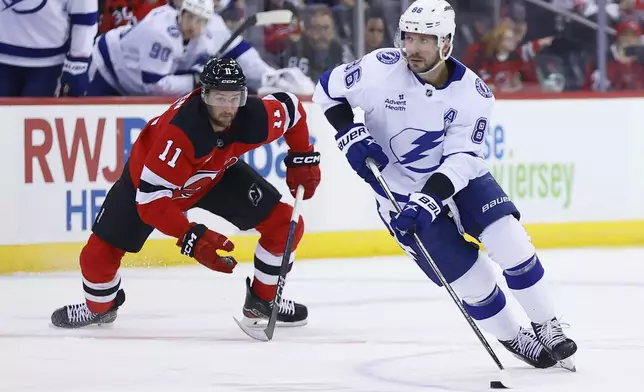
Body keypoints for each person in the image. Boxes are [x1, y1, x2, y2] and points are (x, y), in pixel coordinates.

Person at [312, 0, 577, 370]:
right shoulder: (378, 68)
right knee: (473, 282)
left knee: (510, 240)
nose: (413, 48)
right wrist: (350, 134)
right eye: (408, 37)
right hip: (398, 196)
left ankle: (546, 323)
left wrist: (430, 198)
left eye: (425, 39)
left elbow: (463, 160)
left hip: (458, 182)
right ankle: (515, 337)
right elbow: (326, 92)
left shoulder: (474, 92)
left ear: (446, 43)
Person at [51, 57, 321, 329]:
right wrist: (192, 236)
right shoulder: (180, 134)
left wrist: (302, 157)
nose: (228, 108)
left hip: (213, 176)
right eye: (219, 98)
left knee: (284, 224)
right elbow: (150, 203)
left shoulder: (254, 116)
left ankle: (262, 302)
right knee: (96, 256)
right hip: (147, 188)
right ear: (203, 95)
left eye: (234, 98)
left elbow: (291, 108)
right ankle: (100, 308)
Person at [0, 0, 97, 97]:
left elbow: (85, 20)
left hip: (49, 66)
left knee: (36, 112)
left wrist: (77, 65)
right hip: (3, 61)